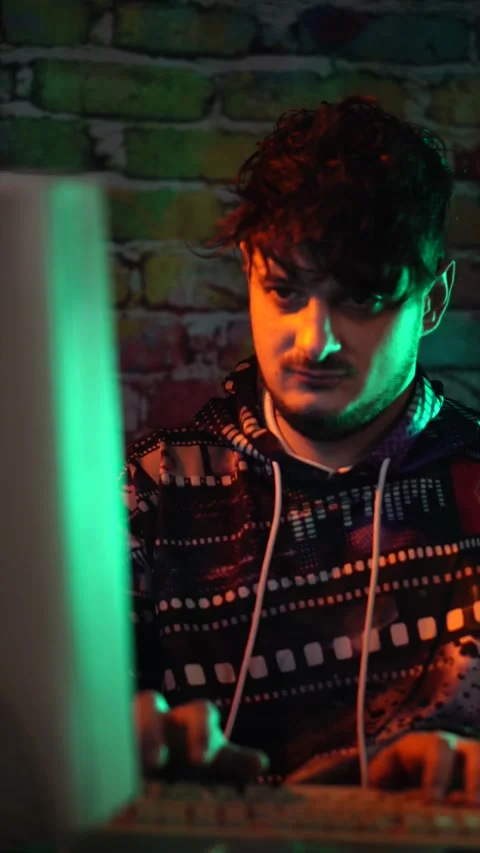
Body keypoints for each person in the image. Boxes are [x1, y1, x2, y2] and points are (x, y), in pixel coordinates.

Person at [122, 95, 480, 804]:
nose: (314, 339)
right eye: (285, 291)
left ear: (432, 301)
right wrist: (111, 737)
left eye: (362, 298)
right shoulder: (148, 496)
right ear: (250, 275)